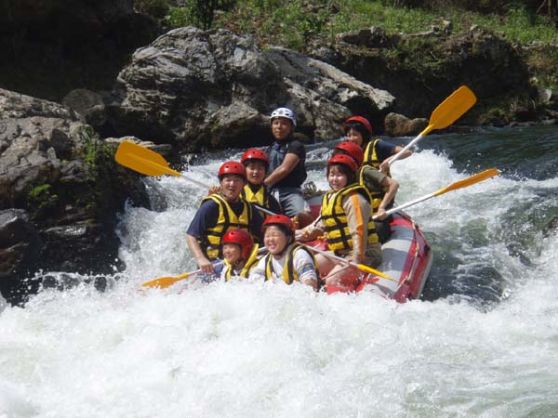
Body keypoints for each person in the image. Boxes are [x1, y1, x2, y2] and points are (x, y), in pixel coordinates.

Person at [296, 154, 382, 289]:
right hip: (340, 253)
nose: (334, 179)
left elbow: (358, 230)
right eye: (331, 174)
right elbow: (324, 225)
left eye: (339, 175)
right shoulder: (330, 197)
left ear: (349, 176)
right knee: (306, 269)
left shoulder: (355, 199)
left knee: (331, 282)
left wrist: (357, 257)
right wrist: (302, 234)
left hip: (365, 253)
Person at [186, 161, 264, 273]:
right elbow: (191, 236)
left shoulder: (250, 209)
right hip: (214, 264)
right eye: (228, 180)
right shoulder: (211, 206)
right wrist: (201, 259)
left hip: (242, 264)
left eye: (237, 180)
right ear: (221, 183)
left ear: (243, 184)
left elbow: (265, 234)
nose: (232, 184)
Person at [333, 141, 399, 243]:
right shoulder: (342, 177)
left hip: (375, 221)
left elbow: (393, 184)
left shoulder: (365, 171)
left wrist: (381, 208)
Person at [249, 214, 318, 290]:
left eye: (275, 235)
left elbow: (311, 286)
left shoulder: (300, 255)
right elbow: (253, 282)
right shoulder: (265, 260)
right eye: (267, 236)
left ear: (288, 237)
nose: (270, 239)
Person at [263, 107, 309, 218]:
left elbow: (285, 169)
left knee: (300, 215)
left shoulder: (296, 146)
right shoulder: (269, 149)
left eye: (284, 124)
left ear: (291, 127)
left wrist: (262, 184)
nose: (279, 127)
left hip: (291, 192)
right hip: (270, 191)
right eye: (276, 123)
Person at [344, 116, 412, 174]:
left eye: (355, 135)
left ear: (364, 135)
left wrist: (387, 160)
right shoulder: (347, 153)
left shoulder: (377, 146)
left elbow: (407, 152)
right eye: (349, 135)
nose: (351, 139)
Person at [240, 148, 282, 215]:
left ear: (265, 172)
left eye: (260, 168)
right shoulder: (236, 195)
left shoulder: (271, 200)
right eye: (252, 168)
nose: (256, 172)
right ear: (244, 170)